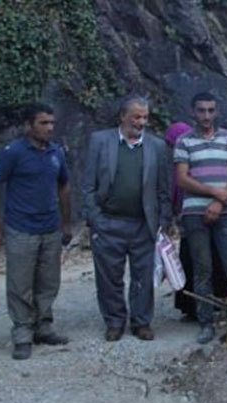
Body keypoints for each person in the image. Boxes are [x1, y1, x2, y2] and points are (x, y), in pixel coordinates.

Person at [0, 103, 71, 360]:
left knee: (48, 280)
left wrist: (66, 223)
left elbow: (64, 185)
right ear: (28, 126)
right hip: (21, 228)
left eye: (52, 123)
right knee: (20, 283)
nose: (49, 128)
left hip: (50, 228)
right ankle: (22, 332)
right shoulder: (13, 152)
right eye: (43, 123)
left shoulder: (56, 152)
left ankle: (44, 326)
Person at [82, 96, 172, 342]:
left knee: (143, 277)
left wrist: (163, 220)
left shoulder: (157, 146)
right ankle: (114, 322)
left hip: (143, 224)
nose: (141, 122)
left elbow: (164, 189)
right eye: (136, 117)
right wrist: (95, 219)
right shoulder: (100, 141)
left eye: (144, 117)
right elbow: (88, 185)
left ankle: (141, 322)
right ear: (122, 116)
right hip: (108, 222)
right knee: (109, 278)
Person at [174, 92, 227, 344]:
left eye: (210, 110)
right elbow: (182, 178)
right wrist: (214, 192)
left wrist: (220, 199)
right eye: (201, 110)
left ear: (216, 112)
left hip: (225, 212)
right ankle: (205, 322)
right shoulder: (184, 142)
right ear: (193, 112)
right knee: (202, 268)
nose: (206, 116)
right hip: (195, 213)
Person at [167, 122, 227, 322]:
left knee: (203, 264)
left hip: (196, 214)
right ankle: (196, 308)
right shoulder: (177, 164)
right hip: (190, 217)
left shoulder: (185, 162)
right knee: (199, 263)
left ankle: (210, 305)